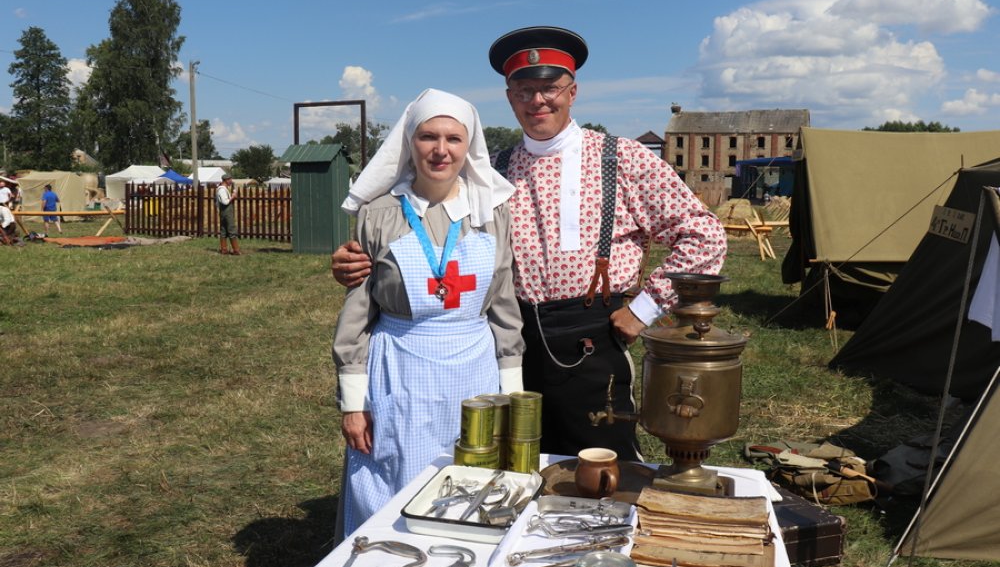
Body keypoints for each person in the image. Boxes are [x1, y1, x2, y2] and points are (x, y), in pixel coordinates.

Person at [332, 27, 726, 462]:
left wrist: (644, 309)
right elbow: (421, 214)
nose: (538, 100)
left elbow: (704, 236)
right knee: (515, 462)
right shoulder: (492, 171)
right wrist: (360, 259)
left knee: (600, 464)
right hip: (507, 339)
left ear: (573, 91)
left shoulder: (622, 158)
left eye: (550, 88)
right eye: (524, 91)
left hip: (592, 337)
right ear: (509, 97)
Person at [333, 88, 524, 537]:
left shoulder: (491, 212)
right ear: (409, 143)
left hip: (474, 372)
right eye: (428, 137)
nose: (441, 150)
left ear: (468, 146)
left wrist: (513, 394)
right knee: (393, 477)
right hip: (401, 370)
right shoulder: (379, 215)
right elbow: (357, 315)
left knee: (471, 481)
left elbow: (503, 306)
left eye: (454, 139)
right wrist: (353, 403)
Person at [215, 174, 241, 255]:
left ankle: (224, 249)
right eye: (230, 180)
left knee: (223, 230)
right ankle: (236, 250)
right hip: (226, 212)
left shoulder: (223, 189)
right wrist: (233, 196)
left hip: (224, 212)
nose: (231, 181)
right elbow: (225, 202)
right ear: (226, 180)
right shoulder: (222, 190)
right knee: (231, 229)